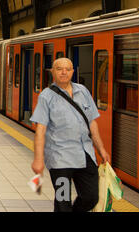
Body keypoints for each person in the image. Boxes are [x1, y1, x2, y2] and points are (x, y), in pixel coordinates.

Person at [30, 57, 110, 212]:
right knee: (63, 200)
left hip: (85, 155)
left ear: (73, 71)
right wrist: (38, 160)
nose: (64, 72)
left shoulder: (83, 91)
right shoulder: (46, 96)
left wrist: (102, 150)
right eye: (59, 69)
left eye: (67, 69)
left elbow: (92, 123)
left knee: (91, 197)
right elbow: (40, 130)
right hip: (60, 159)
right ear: (52, 72)